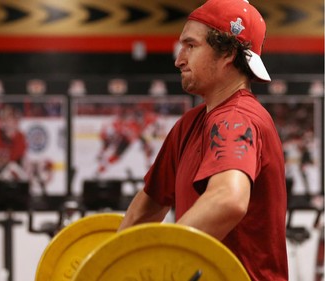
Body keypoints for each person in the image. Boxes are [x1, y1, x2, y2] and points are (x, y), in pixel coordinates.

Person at [118, 0, 288, 280]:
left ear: (228, 53)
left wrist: (164, 261)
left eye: (191, 46)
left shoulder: (236, 119)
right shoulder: (190, 124)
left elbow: (228, 199)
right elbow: (147, 208)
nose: (179, 59)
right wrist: (111, 266)